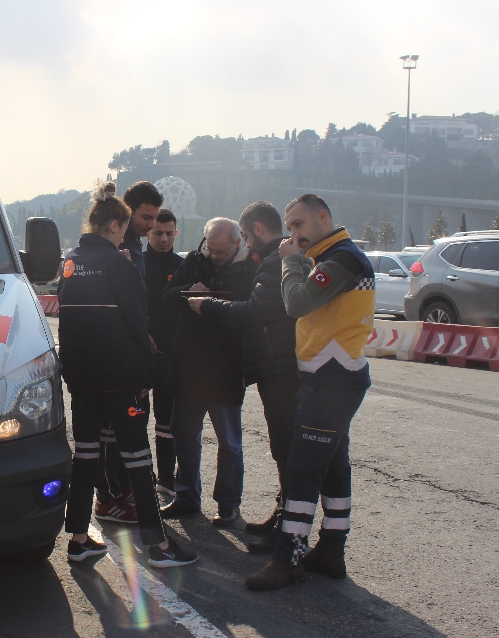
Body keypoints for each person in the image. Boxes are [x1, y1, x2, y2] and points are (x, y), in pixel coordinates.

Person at [58, 181, 197, 568]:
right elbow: (138, 325)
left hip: (81, 379)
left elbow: (66, 323)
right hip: (120, 379)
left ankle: (79, 540)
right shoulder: (120, 264)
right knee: (137, 460)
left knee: (85, 456)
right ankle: (159, 547)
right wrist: (146, 377)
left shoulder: (69, 263)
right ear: (116, 226)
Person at [245, 194, 374, 591]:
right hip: (331, 375)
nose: (293, 235)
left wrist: (289, 261)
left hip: (333, 378)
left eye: (299, 225)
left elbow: (296, 303)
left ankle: (289, 559)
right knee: (334, 467)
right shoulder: (330, 257)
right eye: (289, 228)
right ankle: (331, 551)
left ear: (322, 217)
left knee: (302, 470)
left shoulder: (342, 259)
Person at [186, 202, 297, 552]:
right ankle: (284, 515)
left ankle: (290, 529)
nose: (247, 244)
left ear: (257, 230)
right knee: (282, 446)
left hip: (279, 366)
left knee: (286, 447)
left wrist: (207, 304)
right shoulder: (272, 260)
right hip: (273, 364)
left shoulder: (273, 263)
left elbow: (254, 312)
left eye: (246, 237)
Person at [159, 218, 256, 527]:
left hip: (227, 368)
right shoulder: (193, 260)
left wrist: (213, 304)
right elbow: (166, 298)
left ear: (237, 243)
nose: (214, 256)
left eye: (221, 251)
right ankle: (186, 496)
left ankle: (228, 505)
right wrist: (188, 290)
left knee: (230, 443)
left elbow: (252, 316)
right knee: (185, 436)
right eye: (211, 250)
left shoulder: (250, 268)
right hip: (189, 365)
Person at [92, 180, 164, 523]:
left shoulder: (133, 248)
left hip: (129, 350)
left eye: (155, 219)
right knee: (114, 432)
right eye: (146, 218)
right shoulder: (115, 252)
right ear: (125, 214)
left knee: (128, 430)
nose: (151, 225)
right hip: (119, 357)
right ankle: (110, 495)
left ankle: (125, 490)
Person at [144, 209, 183, 497]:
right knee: (136, 416)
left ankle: (167, 478)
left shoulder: (183, 266)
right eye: (158, 233)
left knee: (166, 420)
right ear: (148, 232)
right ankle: (140, 476)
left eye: (169, 233)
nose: (164, 239)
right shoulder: (135, 264)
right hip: (141, 350)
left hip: (171, 353)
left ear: (176, 233)